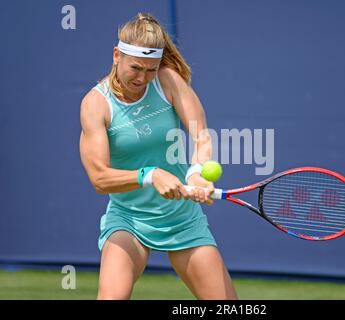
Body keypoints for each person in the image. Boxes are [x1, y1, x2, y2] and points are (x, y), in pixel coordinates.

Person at [79, 12, 238, 300]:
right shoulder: (96, 104)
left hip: (182, 217)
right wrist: (150, 175)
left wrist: (195, 172)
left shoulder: (168, 81)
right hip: (129, 219)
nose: (143, 78)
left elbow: (201, 135)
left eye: (150, 69)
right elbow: (99, 178)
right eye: (136, 68)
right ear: (117, 55)